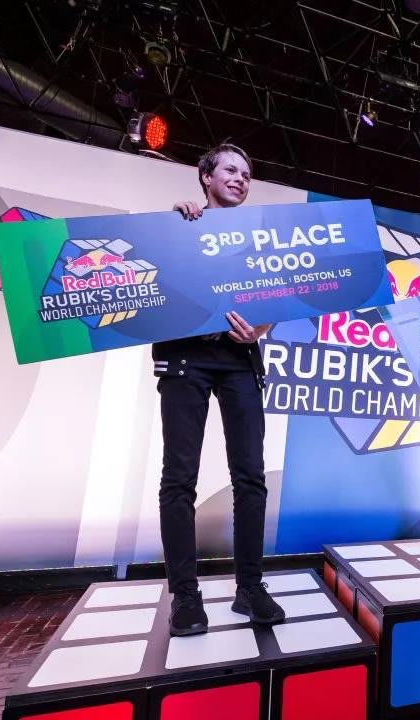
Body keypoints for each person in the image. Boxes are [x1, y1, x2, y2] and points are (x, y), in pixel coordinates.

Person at [154, 143, 285, 635]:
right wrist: (173, 223)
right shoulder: (182, 225)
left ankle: (249, 589)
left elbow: (277, 298)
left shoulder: (260, 240)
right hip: (185, 359)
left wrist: (260, 329)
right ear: (205, 177)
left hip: (239, 362)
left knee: (251, 476)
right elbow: (155, 274)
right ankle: (185, 597)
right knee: (179, 478)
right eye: (230, 170)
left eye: (246, 174)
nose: (240, 179)